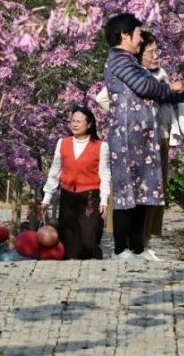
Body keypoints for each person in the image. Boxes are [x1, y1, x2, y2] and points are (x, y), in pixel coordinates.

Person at [102, 13, 184, 261]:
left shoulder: (130, 61)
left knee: (143, 192)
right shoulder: (118, 60)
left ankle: (137, 248)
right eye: (139, 34)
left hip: (144, 137)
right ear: (124, 34)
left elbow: (157, 92)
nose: (141, 40)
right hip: (127, 137)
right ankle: (121, 249)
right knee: (125, 193)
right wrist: (168, 87)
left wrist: (182, 91)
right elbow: (144, 86)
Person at [40, 106, 110, 260]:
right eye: (73, 121)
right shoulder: (62, 143)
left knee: (89, 240)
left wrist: (105, 199)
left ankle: (95, 263)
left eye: (79, 121)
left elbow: (105, 174)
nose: (75, 124)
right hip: (68, 195)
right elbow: (54, 172)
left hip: (90, 196)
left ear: (89, 124)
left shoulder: (100, 146)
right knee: (70, 241)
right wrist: (47, 198)